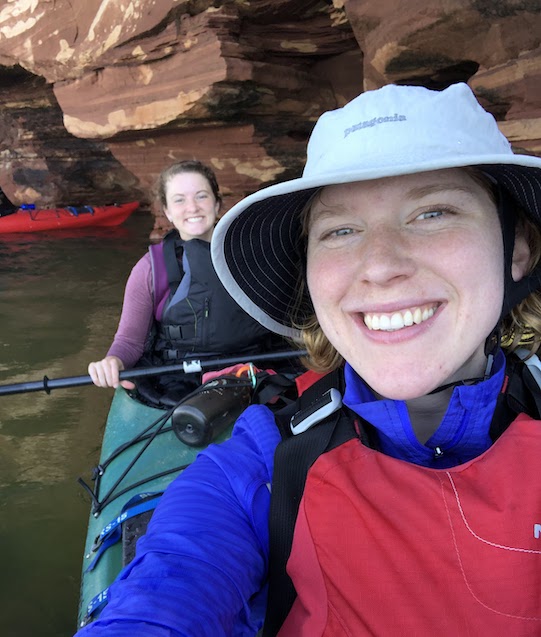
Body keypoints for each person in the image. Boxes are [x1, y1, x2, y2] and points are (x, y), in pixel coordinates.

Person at [76, 83, 541, 636]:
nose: (379, 265)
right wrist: (113, 362)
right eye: (340, 230)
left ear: (517, 250)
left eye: (433, 213)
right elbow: (169, 592)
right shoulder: (262, 465)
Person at [87, 159, 279, 404]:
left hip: (258, 368)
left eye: (201, 196)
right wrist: (113, 361)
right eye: (179, 200)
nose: (192, 208)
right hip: (181, 377)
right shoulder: (150, 269)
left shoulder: (255, 255)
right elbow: (129, 341)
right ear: (166, 211)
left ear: (217, 204)